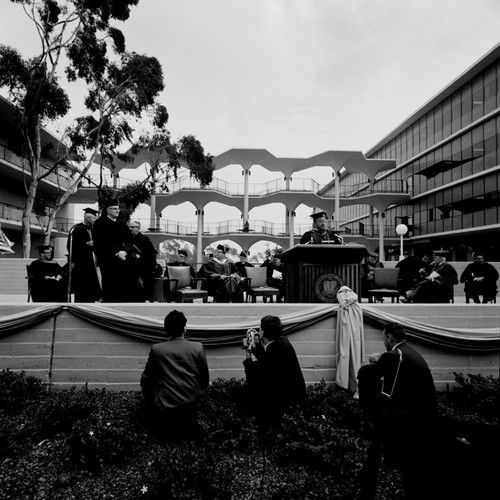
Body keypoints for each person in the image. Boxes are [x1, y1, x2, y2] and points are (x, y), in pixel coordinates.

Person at [356, 322, 437, 500]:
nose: (384, 342)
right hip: (422, 413)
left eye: (384, 338)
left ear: (390, 338)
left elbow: (367, 374)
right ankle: (405, 490)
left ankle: (367, 488)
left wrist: (369, 365)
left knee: (380, 450)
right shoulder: (409, 352)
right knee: (408, 461)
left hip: (408, 417)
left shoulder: (394, 356)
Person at [140, 310, 209, 441]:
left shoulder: (157, 349)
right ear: (184, 328)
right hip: (192, 403)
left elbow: (147, 379)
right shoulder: (197, 348)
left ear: (167, 329)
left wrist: (153, 401)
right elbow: (204, 380)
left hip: (166, 406)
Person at [243, 315, 307, 427]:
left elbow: (253, 377)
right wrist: (256, 347)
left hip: (281, 406)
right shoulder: (283, 341)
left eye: (259, 329)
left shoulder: (270, 355)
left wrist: (248, 356)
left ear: (262, 332)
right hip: (295, 399)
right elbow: (268, 359)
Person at [92, 199, 144, 302]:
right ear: (108, 210)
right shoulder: (100, 223)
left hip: (123, 257)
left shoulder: (122, 223)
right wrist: (116, 252)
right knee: (111, 287)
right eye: (114, 209)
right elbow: (103, 241)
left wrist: (124, 251)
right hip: (108, 259)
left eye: (118, 209)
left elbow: (129, 240)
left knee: (128, 284)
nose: (117, 211)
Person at [67, 207, 102, 302]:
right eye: (94, 218)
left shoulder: (94, 229)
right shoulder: (77, 229)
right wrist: (86, 244)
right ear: (87, 218)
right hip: (82, 262)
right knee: (83, 285)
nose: (95, 220)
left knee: (94, 283)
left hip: (94, 260)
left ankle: (95, 299)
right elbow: (70, 246)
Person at [129, 220, 158, 302]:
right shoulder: (128, 239)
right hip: (132, 267)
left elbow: (151, 253)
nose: (131, 229)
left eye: (133, 227)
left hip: (144, 267)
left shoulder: (144, 239)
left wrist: (140, 257)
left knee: (145, 287)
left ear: (138, 228)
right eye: (130, 227)